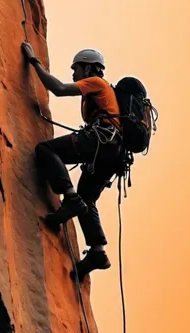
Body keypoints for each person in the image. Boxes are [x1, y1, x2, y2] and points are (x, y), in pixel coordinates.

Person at [21, 42, 122, 280]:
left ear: (88, 69)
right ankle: (97, 251)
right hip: (111, 153)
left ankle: (69, 197)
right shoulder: (100, 92)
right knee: (88, 197)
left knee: (45, 149)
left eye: (76, 68)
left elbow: (58, 88)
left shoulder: (96, 83)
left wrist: (33, 60)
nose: (74, 73)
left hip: (101, 142)